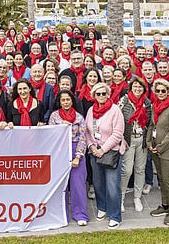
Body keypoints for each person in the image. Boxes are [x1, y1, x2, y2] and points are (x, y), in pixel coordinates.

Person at [85, 82, 125, 229]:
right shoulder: (90, 110)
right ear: (94, 96)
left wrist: (103, 149)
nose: (101, 96)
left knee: (112, 186)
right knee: (98, 183)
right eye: (98, 94)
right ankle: (102, 207)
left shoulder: (115, 110)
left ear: (108, 94)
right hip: (94, 152)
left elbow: (117, 134)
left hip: (111, 153)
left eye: (104, 93)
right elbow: (87, 131)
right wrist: (91, 146)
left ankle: (115, 216)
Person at [49, 90, 90, 226]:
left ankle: (80, 214)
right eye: (63, 100)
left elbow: (83, 138)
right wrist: (61, 127)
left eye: (68, 100)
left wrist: (78, 156)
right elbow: (50, 135)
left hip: (75, 151)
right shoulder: (54, 116)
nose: (66, 102)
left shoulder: (79, 117)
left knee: (78, 185)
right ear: (59, 102)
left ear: (72, 101)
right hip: (60, 152)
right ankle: (61, 215)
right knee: (61, 186)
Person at [147, 78, 169, 225]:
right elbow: (151, 126)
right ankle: (165, 205)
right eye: (158, 91)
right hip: (155, 148)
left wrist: (160, 147)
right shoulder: (155, 105)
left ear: (168, 92)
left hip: (168, 150)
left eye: (163, 91)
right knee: (161, 178)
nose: (160, 93)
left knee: (167, 180)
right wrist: (149, 142)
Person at [118, 76, 151, 213]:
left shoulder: (147, 103)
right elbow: (118, 119)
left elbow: (149, 122)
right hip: (128, 140)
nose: (138, 89)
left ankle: (137, 197)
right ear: (131, 88)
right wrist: (120, 138)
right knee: (126, 170)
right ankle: (121, 197)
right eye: (135, 86)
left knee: (140, 169)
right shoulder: (124, 101)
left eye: (140, 87)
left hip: (141, 139)